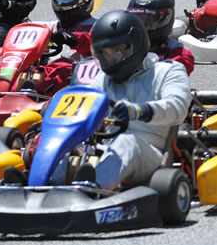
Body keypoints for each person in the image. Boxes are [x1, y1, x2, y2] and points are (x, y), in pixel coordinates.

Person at [28, 10, 190, 190]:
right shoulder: (102, 79)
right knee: (70, 147)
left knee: (126, 142)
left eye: (116, 50)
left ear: (135, 46)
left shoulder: (167, 70)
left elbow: (178, 107)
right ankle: (41, 188)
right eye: (103, 52)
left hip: (151, 154)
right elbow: (86, 103)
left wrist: (138, 111)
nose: (109, 57)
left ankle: (92, 190)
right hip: (105, 148)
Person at [127, 0, 195, 75]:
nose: (142, 25)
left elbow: (167, 76)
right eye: (138, 19)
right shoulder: (124, 46)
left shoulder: (178, 53)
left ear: (164, 19)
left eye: (148, 20)